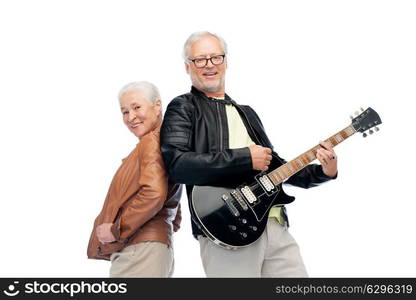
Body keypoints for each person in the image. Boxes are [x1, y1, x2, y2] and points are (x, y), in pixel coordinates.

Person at [160, 32, 338, 277]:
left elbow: (277, 169)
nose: (209, 65)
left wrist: (324, 172)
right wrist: (245, 158)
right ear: (187, 66)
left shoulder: (247, 113)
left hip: (274, 224)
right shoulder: (183, 107)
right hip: (227, 227)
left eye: (216, 57)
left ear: (226, 62)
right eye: (200, 59)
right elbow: (177, 165)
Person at [87, 81, 182, 277]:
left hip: (139, 250)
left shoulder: (151, 143)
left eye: (137, 107)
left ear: (157, 106)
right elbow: (174, 212)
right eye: (124, 112)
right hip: (149, 249)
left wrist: (116, 229)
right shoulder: (166, 143)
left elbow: (154, 194)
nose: (131, 117)